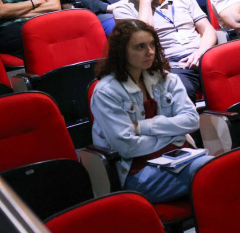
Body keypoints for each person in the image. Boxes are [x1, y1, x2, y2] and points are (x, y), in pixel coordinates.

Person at [90, 20, 210, 203]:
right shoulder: (106, 91)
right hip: (136, 172)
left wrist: (144, 127)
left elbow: (192, 120)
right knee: (208, 170)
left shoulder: (167, 79)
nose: (150, 52)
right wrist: (175, 135)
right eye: (140, 47)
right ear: (122, 52)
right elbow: (127, 147)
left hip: (180, 157)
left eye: (152, 44)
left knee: (218, 167)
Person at [114, 0, 216, 101]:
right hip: (170, 66)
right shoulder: (123, 9)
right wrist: (145, 2)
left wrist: (201, 53)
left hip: (203, 55)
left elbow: (208, 30)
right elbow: (142, 40)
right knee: (181, 89)